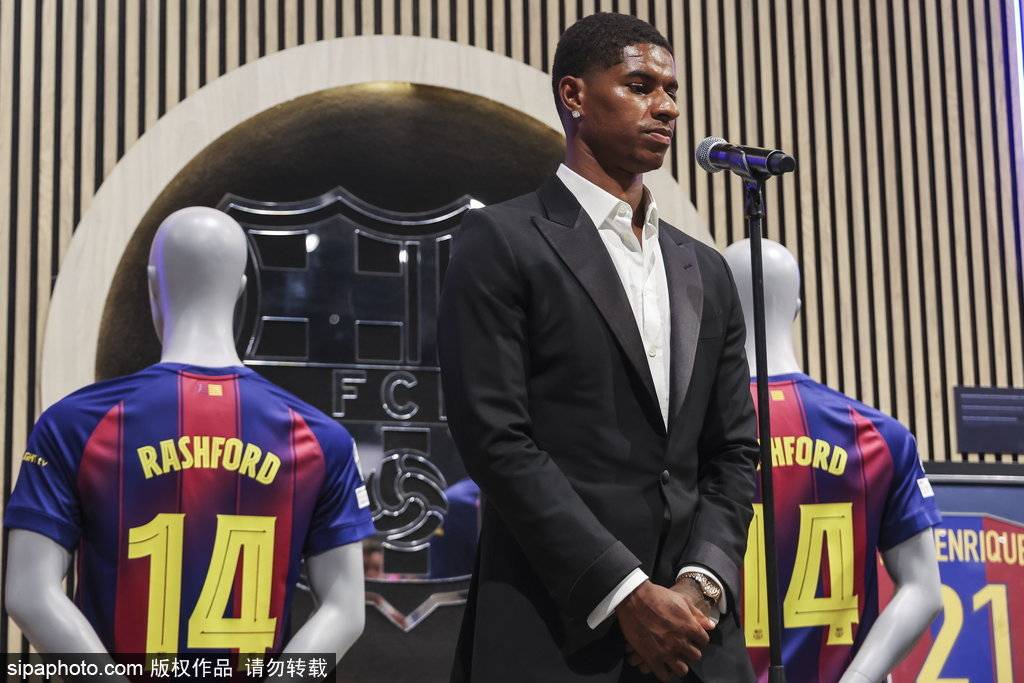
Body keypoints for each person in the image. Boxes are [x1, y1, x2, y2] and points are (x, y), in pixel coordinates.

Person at [437, 12, 758, 682]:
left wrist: (701, 585)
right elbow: (496, 440)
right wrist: (627, 593)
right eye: (640, 85)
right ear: (574, 95)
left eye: (671, 90)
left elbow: (733, 452)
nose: (666, 106)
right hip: (556, 631)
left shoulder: (705, 267)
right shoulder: (501, 240)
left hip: (697, 642)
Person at [5, 207, 374, 670]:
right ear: (240, 290)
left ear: (152, 286)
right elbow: (345, 610)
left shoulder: (73, 424)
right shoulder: (322, 440)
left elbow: (29, 593)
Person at [723, 238, 942, 683]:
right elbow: (924, 590)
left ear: (720, 310)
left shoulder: (692, 437)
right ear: (797, 309)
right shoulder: (880, 437)